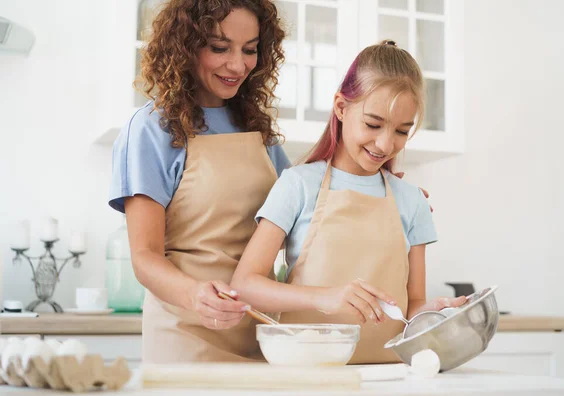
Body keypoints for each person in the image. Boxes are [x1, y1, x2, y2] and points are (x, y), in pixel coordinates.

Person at [231, 41, 466, 364]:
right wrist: (326, 297)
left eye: (402, 131)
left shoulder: (412, 201)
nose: (385, 144)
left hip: (390, 376)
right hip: (308, 373)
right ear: (341, 108)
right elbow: (244, 285)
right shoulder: (298, 184)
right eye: (373, 124)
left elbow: (411, 305)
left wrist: (433, 312)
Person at [108, 0, 290, 363]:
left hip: (260, 337)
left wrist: (375, 185)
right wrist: (196, 295)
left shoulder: (256, 129)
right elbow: (144, 257)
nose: (238, 65)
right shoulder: (150, 130)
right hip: (184, 337)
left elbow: (307, 204)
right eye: (219, 48)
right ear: (185, 45)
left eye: (250, 50)